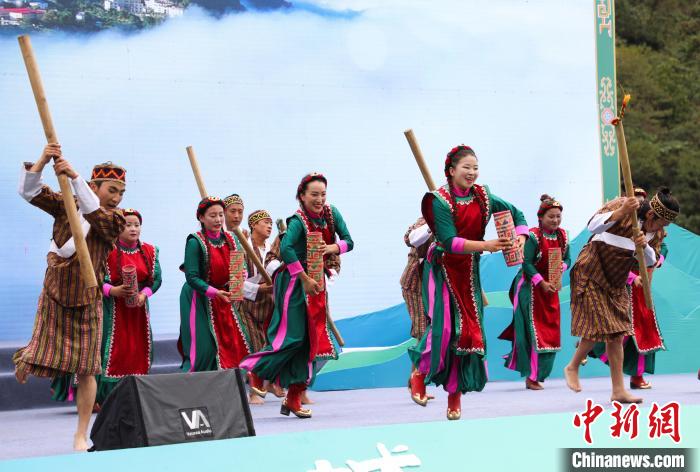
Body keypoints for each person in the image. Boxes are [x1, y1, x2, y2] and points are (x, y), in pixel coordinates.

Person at [14, 143, 126, 450]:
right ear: (95, 186)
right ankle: (27, 356)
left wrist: (74, 177)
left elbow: (96, 214)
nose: (117, 198)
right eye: (112, 190)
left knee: (88, 369)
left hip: (88, 299)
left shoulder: (115, 219)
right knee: (42, 348)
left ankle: (81, 433)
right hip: (56, 291)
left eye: (121, 192)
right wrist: (43, 159)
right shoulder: (67, 202)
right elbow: (29, 192)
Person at [408, 145, 528, 420]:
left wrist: (520, 237)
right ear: (451, 171)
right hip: (442, 268)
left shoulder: (483, 196)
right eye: (466, 167)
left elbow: (516, 213)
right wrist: (486, 245)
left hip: (469, 271)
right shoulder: (438, 201)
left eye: (475, 168)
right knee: (445, 328)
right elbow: (450, 242)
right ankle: (419, 374)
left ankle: (455, 396)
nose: (472, 172)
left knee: (469, 335)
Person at [240, 173, 353, 418]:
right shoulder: (298, 220)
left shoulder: (332, 214)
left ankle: (293, 398)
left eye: (323, 194)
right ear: (302, 196)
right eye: (314, 194)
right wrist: (304, 278)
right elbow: (287, 248)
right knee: (291, 337)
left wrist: (330, 248)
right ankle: (257, 371)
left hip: (316, 282)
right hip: (293, 281)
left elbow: (349, 242)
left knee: (310, 343)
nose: (319, 199)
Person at [564, 187, 679, 403]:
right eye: (662, 223)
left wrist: (644, 247)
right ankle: (573, 366)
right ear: (651, 214)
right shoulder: (622, 205)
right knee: (599, 323)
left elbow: (651, 262)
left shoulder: (655, 234)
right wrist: (621, 212)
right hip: (591, 271)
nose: (663, 228)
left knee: (617, 333)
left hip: (616, 281)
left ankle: (618, 391)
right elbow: (592, 226)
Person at [51, 209, 162, 407]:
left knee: (136, 350)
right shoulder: (105, 249)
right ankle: (99, 398)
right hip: (109, 309)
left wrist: (144, 294)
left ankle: (131, 395)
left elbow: (156, 280)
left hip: (137, 311)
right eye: (128, 225)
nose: (133, 229)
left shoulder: (150, 251)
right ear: (118, 228)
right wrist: (113, 291)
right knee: (105, 349)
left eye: (137, 225)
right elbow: (92, 277)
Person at [500, 195, 570, 390]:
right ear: (541, 217)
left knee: (550, 332)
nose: (555, 220)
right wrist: (541, 282)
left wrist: (560, 268)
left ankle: (539, 374)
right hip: (529, 288)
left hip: (550, 289)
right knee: (533, 331)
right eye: (551, 217)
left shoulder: (563, 236)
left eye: (558, 216)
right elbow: (526, 262)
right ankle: (531, 377)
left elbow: (568, 259)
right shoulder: (533, 236)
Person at [178, 196, 252, 372]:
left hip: (223, 298)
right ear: (201, 218)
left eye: (220, 215)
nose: (218, 219)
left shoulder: (232, 239)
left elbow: (239, 270)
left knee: (234, 344)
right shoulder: (195, 242)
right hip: (198, 296)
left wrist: (239, 280)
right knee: (204, 348)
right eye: (212, 215)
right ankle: (196, 385)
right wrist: (214, 292)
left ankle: (230, 385)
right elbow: (192, 277)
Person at [238, 209, 276, 404]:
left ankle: (270, 383)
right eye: (265, 222)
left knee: (270, 345)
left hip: (268, 304)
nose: (269, 226)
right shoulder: (242, 246)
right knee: (255, 346)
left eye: (271, 223)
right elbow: (236, 282)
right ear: (253, 225)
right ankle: (254, 391)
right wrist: (258, 288)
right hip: (247, 303)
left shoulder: (272, 249)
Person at [401, 217, 435, 401]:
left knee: (429, 334)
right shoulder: (425, 220)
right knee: (423, 333)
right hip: (416, 285)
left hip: (433, 286)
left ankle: (413, 381)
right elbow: (410, 239)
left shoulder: (453, 221)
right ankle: (416, 384)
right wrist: (432, 224)